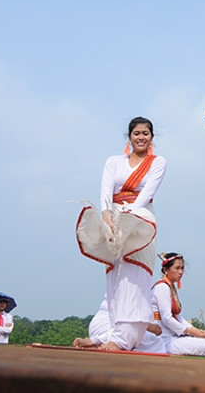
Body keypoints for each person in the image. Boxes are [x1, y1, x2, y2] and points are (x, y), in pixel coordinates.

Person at [76, 116, 167, 352]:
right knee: (115, 275)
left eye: (145, 133)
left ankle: (123, 338)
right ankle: (111, 333)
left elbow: (147, 193)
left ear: (152, 137)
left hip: (140, 219)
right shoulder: (114, 162)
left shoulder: (158, 162)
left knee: (136, 275)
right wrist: (107, 214)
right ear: (129, 136)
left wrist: (129, 215)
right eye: (137, 133)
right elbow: (106, 189)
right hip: (115, 219)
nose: (141, 137)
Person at [151, 253, 205, 357]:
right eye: (177, 268)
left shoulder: (170, 287)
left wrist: (199, 332)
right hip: (163, 340)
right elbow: (167, 319)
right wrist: (191, 332)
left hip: (172, 337)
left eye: (182, 268)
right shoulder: (162, 287)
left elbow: (179, 318)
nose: (180, 272)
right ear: (165, 270)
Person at [73, 296, 166, 353]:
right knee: (153, 342)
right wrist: (148, 325)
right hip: (110, 324)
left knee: (155, 341)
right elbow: (130, 314)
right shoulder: (134, 275)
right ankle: (100, 341)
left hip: (106, 325)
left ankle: (99, 342)